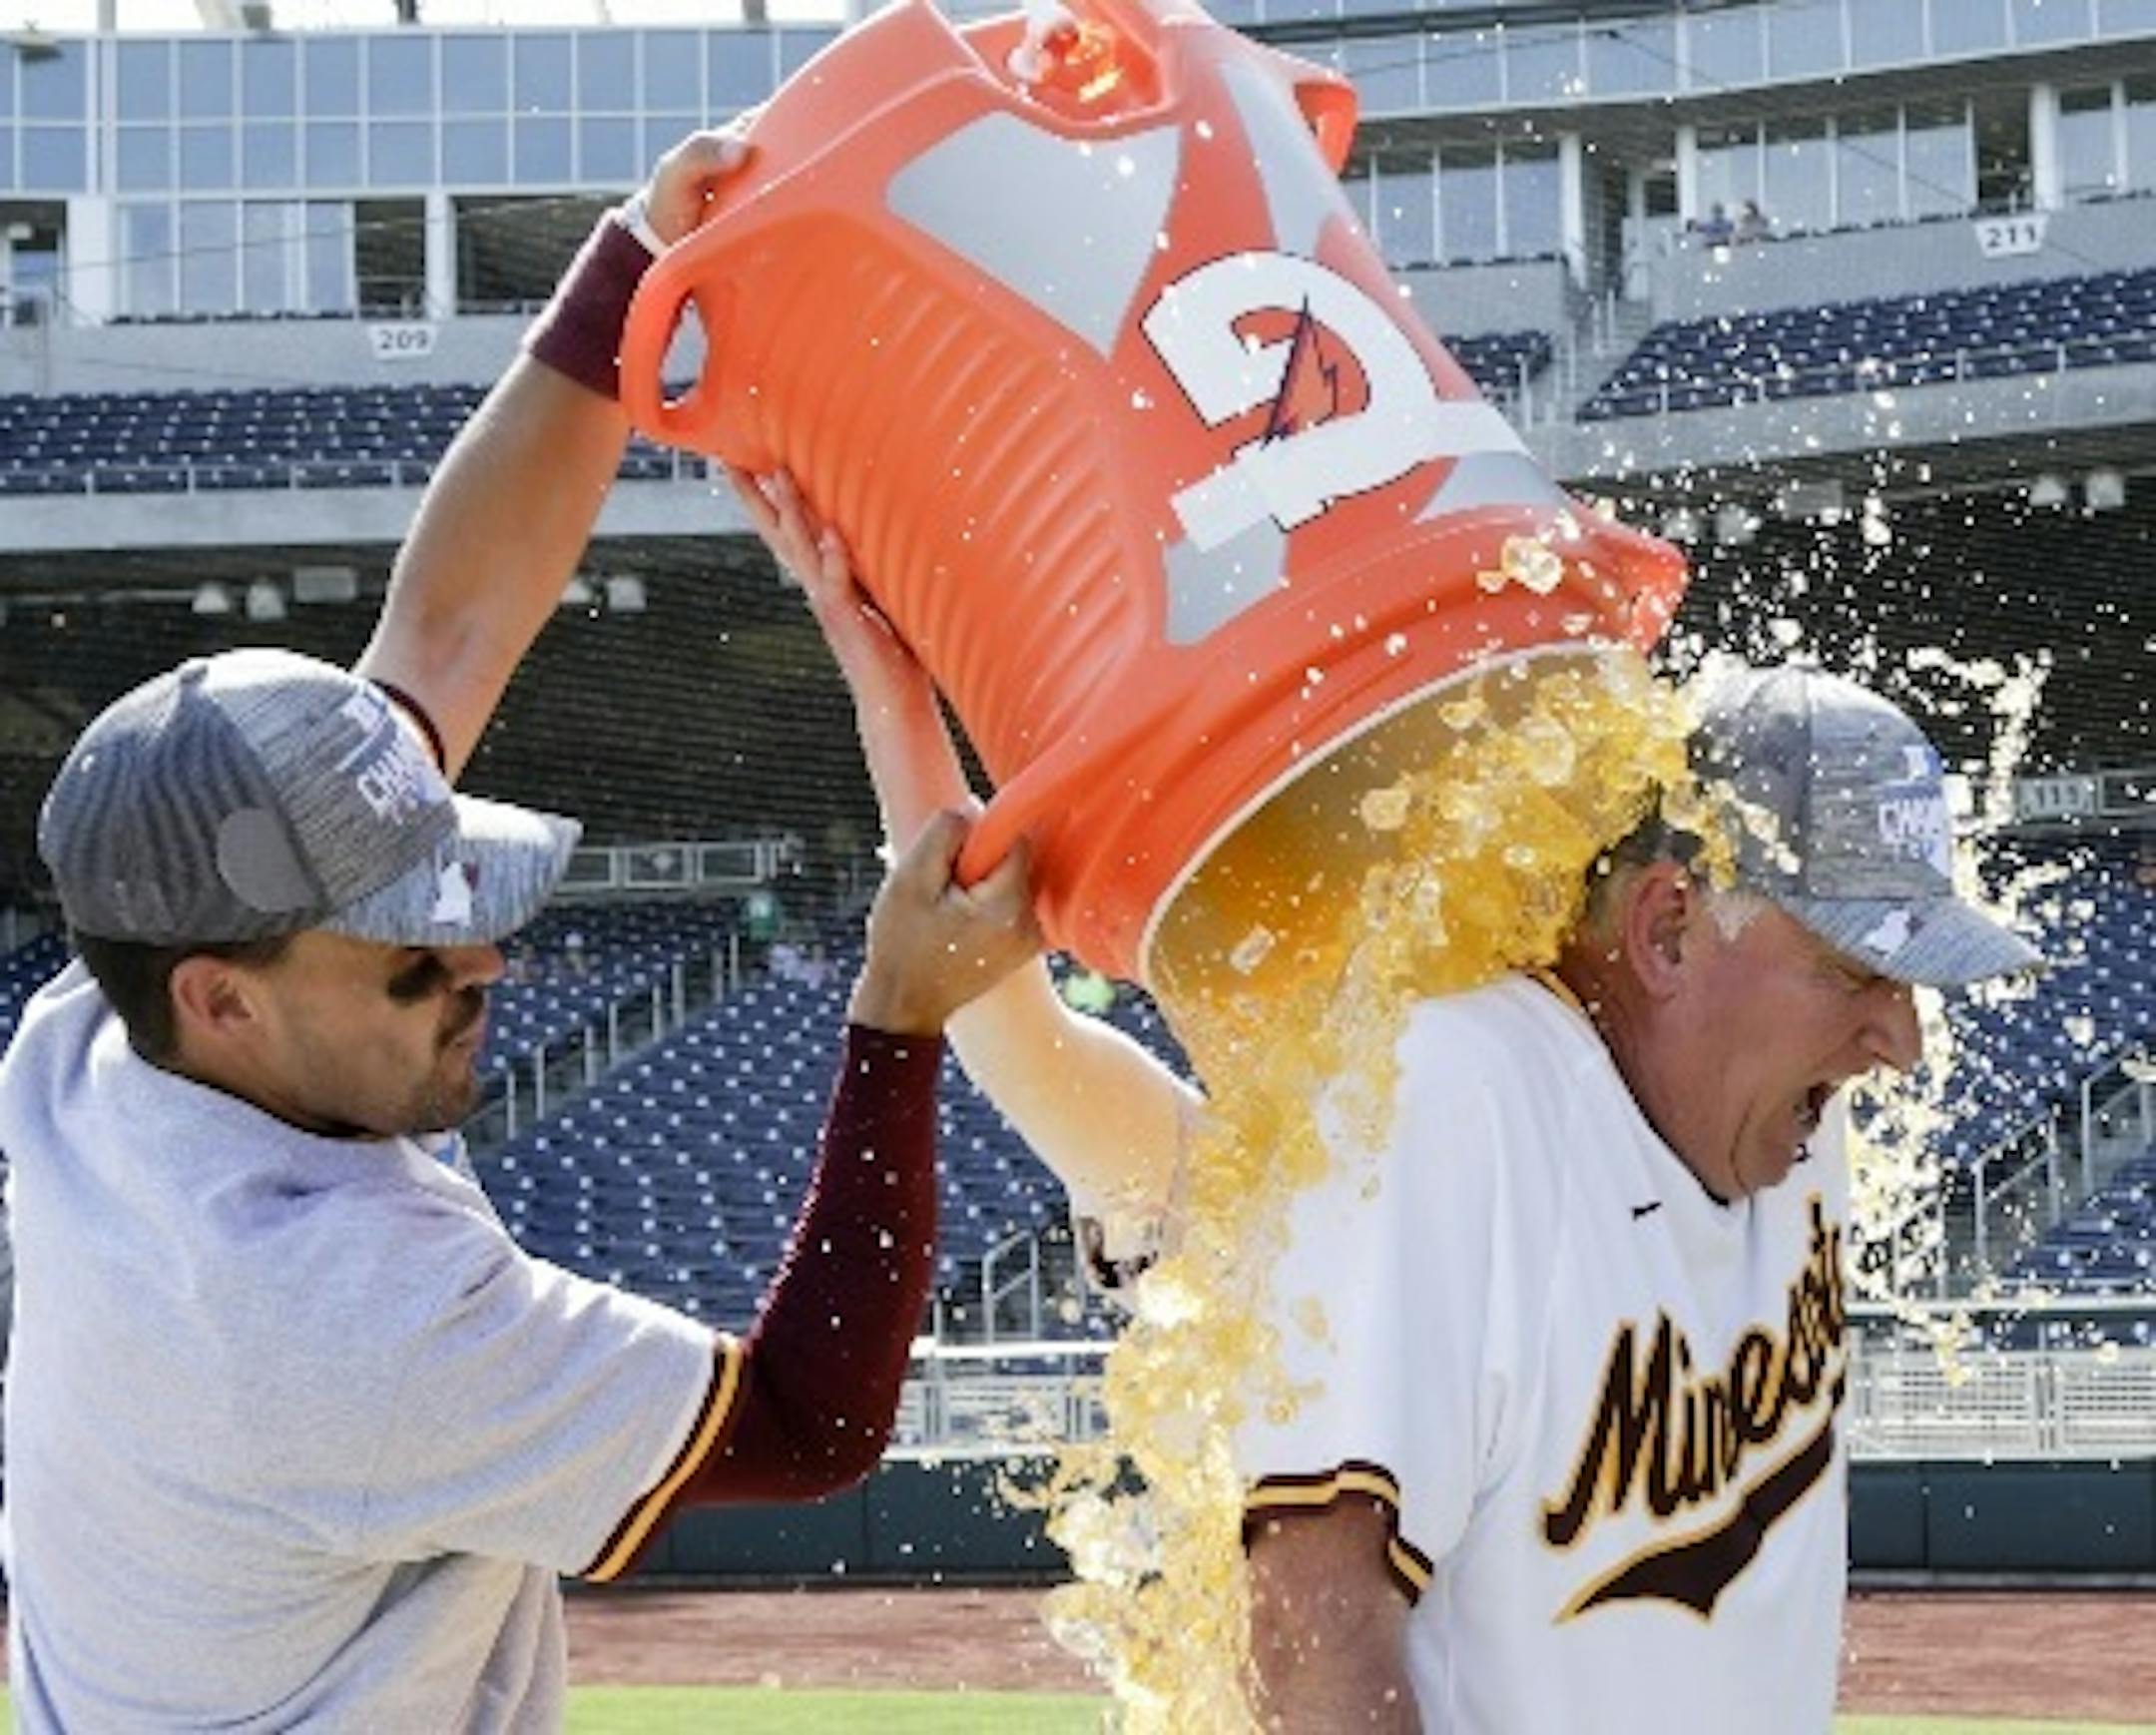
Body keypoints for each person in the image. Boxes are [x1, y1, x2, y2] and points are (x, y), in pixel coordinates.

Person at [733, 474, 2044, 1732]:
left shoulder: (1782, 1127)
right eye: (1858, 970)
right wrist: (888, 686)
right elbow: (1310, 1609)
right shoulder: (1422, 1111)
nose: (1901, 1042)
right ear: (1667, 927)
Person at [0, 647, 1037, 1729]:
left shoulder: (88, 1049)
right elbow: (806, 1420)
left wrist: (608, 463)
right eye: (409, 940)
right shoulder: (349, 1313)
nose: (482, 959)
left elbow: (442, 623)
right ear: (221, 998)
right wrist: (898, 1017)